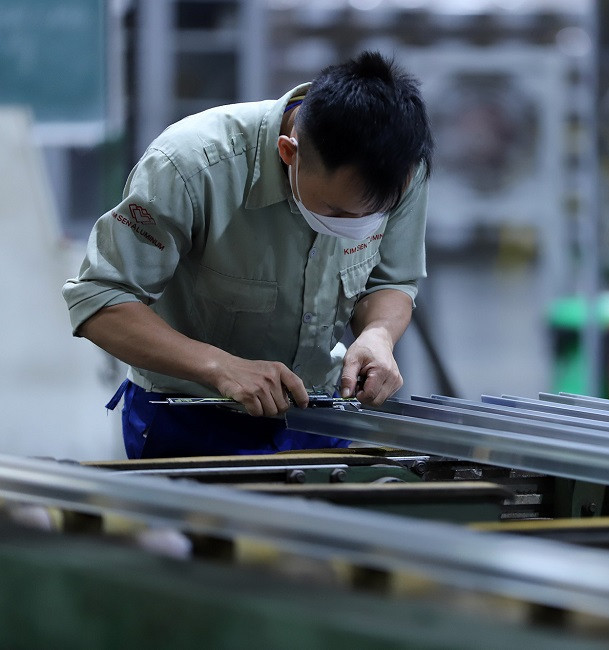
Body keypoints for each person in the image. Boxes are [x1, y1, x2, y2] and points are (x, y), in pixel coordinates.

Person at [62, 51, 433, 458]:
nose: (357, 226)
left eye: (375, 215)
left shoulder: (400, 169)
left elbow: (391, 280)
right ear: (289, 152)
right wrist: (220, 366)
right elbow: (100, 299)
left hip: (318, 416)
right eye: (337, 212)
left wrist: (378, 334)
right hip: (187, 417)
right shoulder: (191, 165)